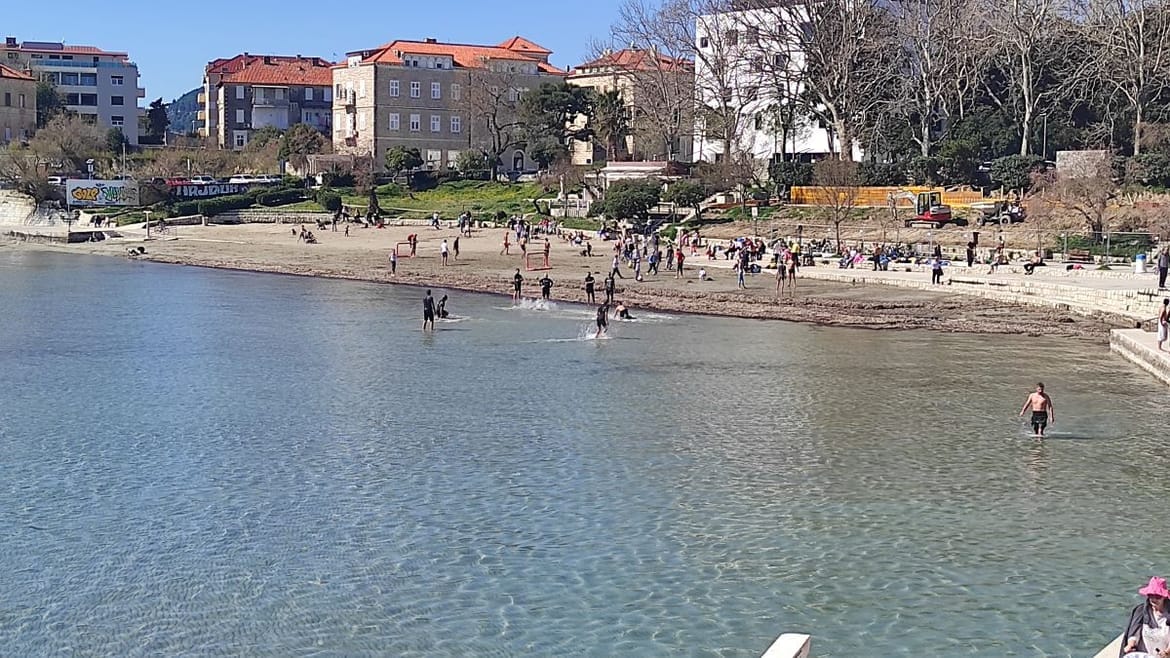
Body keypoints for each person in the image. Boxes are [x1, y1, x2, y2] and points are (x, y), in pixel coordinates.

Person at [1121, 577, 1170, 657]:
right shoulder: (1140, 611)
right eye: (1151, 595)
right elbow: (1134, 632)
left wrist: (1167, 653)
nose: (1153, 599)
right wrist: (1130, 645)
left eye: (1157, 596)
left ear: (1164, 597)